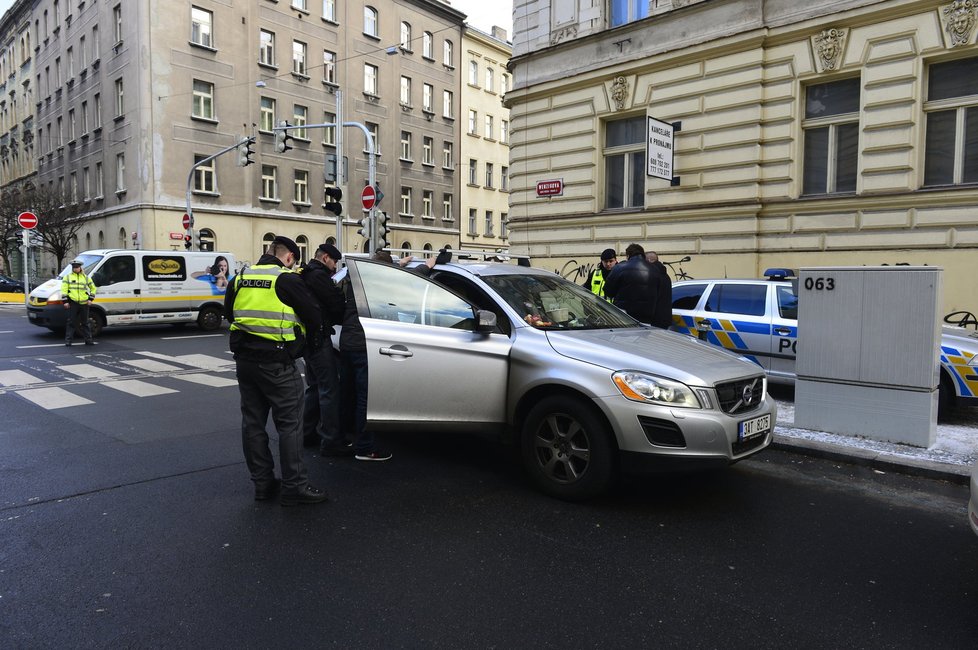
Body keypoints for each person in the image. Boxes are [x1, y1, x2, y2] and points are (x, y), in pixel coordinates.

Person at [223, 235, 329, 506]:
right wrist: (301, 346)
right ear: (290, 257)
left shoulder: (241, 276)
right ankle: (294, 487)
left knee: (253, 423)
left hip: (245, 361)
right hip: (277, 363)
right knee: (290, 425)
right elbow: (314, 316)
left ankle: (262, 484)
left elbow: (230, 313)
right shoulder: (286, 279)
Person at [335, 247, 453, 462]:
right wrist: (430, 263)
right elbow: (412, 278)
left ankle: (341, 439)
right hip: (365, 344)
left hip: (348, 342)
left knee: (347, 394)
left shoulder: (359, 277)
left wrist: (400, 263)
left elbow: (387, 272)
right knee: (366, 399)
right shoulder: (384, 282)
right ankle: (364, 447)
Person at [298, 243, 348, 456]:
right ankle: (331, 441)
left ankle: (308, 433)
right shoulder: (319, 276)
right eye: (334, 261)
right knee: (329, 388)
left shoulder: (306, 273)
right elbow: (337, 306)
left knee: (315, 387)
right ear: (325, 257)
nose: (335, 266)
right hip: (319, 339)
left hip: (308, 339)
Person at [604, 243, 661, 326]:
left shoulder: (620, 268)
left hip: (623, 317)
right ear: (642, 254)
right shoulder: (655, 270)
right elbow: (659, 292)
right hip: (646, 318)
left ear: (628, 255)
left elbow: (608, 291)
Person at [62, 259, 96, 346]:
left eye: (77, 267)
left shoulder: (86, 277)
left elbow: (93, 288)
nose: (75, 269)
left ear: (80, 267)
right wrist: (65, 301)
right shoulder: (68, 277)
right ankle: (68, 341)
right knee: (71, 322)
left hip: (84, 303)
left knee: (85, 322)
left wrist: (90, 299)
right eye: (74, 267)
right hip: (73, 302)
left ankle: (88, 340)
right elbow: (64, 290)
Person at [645, 251, 674, 329]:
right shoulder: (665, 275)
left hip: (654, 319)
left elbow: (650, 297)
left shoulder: (652, 275)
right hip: (665, 318)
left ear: (648, 260)